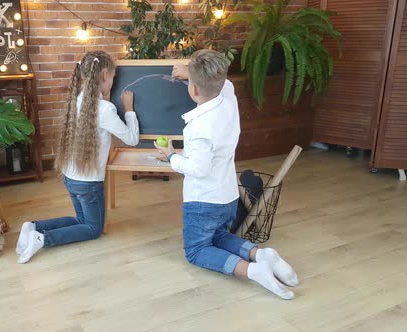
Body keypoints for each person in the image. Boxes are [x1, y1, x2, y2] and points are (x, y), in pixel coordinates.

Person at [155, 50, 299, 299]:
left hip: (203, 201)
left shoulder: (199, 127)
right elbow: (226, 82)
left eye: (190, 82)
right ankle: (262, 254)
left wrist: (170, 156)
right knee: (220, 235)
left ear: (195, 91)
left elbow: (198, 169)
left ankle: (252, 270)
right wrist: (192, 73)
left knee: (197, 250)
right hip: (228, 196)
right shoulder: (228, 96)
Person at [16, 51, 139, 264]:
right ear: (105, 76)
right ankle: (43, 238)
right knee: (93, 229)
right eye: (114, 77)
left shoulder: (77, 100)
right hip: (89, 184)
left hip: (70, 178)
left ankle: (33, 226)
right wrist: (129, 110)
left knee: (81, 220)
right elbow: (132, 139)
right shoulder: (105, 109)